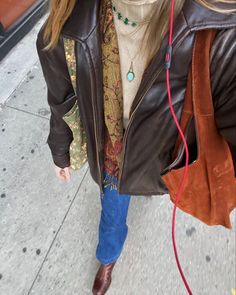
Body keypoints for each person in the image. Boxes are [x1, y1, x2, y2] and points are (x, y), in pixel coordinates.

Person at [36, 0, 236, 294]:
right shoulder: (69, 17)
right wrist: (60, 147)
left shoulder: (219, 22)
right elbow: (61, 97)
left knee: (148, 184)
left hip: (165, 158)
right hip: (114, 159)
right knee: (113, 215)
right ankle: (108, 259)